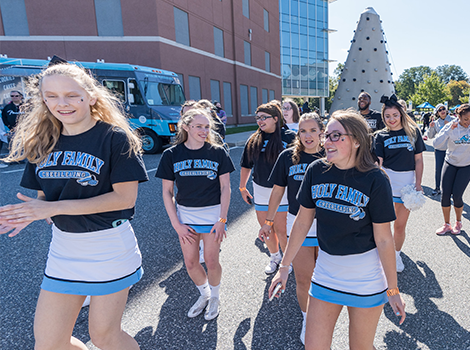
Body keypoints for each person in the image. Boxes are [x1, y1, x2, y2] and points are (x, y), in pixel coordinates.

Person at [0, 62, 148, 349]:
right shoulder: (42, 141)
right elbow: (46, 197)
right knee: (49, 343)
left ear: (91, 96)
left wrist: (52, 209)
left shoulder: (114, 138)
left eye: (71, 95)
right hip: (64, 250)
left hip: (108, 247)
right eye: (51, 96)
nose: (61, 103)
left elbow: (124, 199)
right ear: (42, 100)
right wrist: (29, 212)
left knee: (104, 336)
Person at [268, 110, 406, 349]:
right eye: (327, 136)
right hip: (326, 273)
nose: (326, 142)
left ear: (356, 141)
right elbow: (302, 222)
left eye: (335, 136)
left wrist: (392, 288)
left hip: (365, 277)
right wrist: (284, 266)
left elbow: (384, 239)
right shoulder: (315, 171)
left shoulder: (375, 179)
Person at [156, 108, 234, 321]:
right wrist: (176, 224)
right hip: (186, 216)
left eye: (207, 126)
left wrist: (222, 219)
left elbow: (226, 188)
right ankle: (205, 294)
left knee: (210, 260)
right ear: (186, 127)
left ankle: (215, 297)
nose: (204, 130)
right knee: (190, 262)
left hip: (212, 215)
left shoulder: (217, 152)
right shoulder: (171, 155)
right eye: (198, 126)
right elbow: (167, 192)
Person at [257, 112, 324, 344]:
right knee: (304, 278)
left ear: (321, 132)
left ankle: (323, 317)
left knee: (325, 278)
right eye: (303, 131)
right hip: (300, 224)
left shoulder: (331, 154)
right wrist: (268, 221)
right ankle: (308, 319)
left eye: (313, 130)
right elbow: (277, 191)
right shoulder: (288, 157)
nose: (308, 135)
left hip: (329, 225)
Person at [240, 101, 296, 274]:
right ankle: (274, 257)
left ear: (276, 118)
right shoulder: (254, 139)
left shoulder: (290, 137)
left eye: (264, 117)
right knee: (267, 228)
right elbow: (246, 165)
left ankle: (287, 260)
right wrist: (242, 187)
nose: (260, 121)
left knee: (282, 229)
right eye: (258, 118)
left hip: (283, 192)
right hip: (261, 190)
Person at [372, 94, 425, 272]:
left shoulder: (413, 132)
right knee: (383, 224)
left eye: (395, 115)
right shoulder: (379, 136)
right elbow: (378, 161)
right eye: (387, 116)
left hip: (407, 186)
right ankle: (381, 253)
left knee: (400, 225)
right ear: (383, 117)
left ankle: (396, 254)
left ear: (401, 114)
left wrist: (418, 184)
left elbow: (418, 160)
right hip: (387, 184)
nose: (391, 119)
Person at [432, 103, 470, 235]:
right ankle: (446, 224)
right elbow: (436, 144)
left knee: (457, 196)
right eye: (465, 119)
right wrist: (448, 130)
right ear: (458, 116)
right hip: (450, 163)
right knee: (444, 196)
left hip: (466, 165)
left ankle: (458, 222)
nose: (468, 122)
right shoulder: (451, 125)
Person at [425, 104, 456, 196]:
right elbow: (430, 136)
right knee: (438, 169)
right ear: (437, 113)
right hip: (439, 149)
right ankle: (437, 187)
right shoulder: (436, 122)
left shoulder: (453, 120)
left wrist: (449, 127)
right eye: (440, 110)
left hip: (451, 149)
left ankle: (450, 189)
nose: (442, 111)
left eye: (443, 109)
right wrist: (431, 127)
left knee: (451, 170)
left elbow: (458, 133)